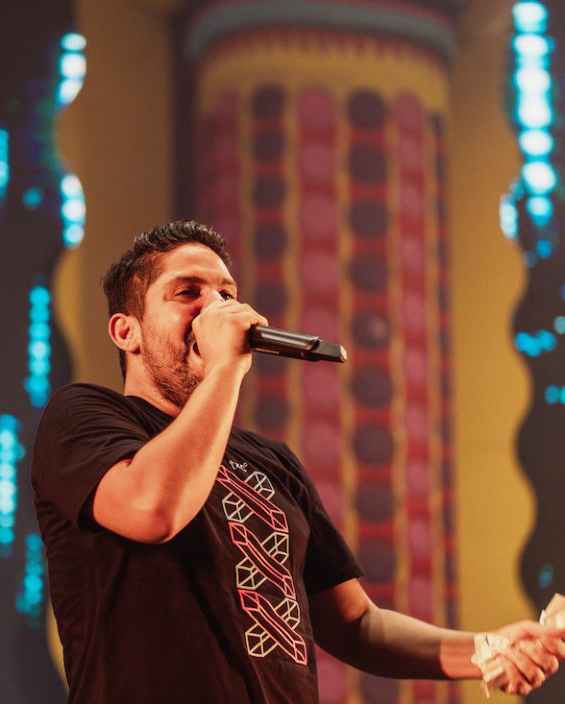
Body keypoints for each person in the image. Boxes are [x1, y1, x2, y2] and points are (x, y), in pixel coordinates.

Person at [32, 221, 565, 703]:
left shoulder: (272, 462)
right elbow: (153, 510)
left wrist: (484, 650)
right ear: (125, 331)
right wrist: (225, 368)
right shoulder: (86, 416)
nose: (216, 309)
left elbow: (355, 624)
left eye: (226, 294)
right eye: (188, 293)